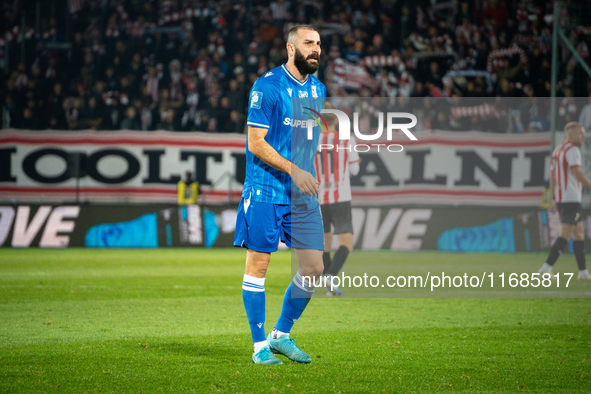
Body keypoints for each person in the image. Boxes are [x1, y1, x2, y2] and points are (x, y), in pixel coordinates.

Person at [233, 25, 326, 365]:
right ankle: (259, 346)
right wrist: (294, 170)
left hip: (300, 194)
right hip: (265, 189)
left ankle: (280, 335)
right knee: (259, 265)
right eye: (308, 44)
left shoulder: (318, 89)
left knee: (314, 266)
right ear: (290, 48)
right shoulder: (268, 87)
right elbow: (256, 143)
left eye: (318, 44)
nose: (315, 50)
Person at [315, 102, 360, 296]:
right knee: (346, 243)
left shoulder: (312, 141)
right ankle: (331, 276)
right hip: (340, 196)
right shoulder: (346, 139)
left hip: (319, 198)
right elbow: (355, 169)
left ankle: (329, 287)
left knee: (325, 244)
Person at [539, 122, 591, 280]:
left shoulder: (558, 149)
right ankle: (545, 269)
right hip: (570, 198)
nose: (582, 136)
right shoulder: (573, 150)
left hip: (563, 198)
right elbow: (578, 173)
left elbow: (553, 175)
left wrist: (554, 197)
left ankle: (583, 273)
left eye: (583, 133)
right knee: (565, 235)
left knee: (579, 233)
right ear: (569, 134)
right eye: (579, 133)